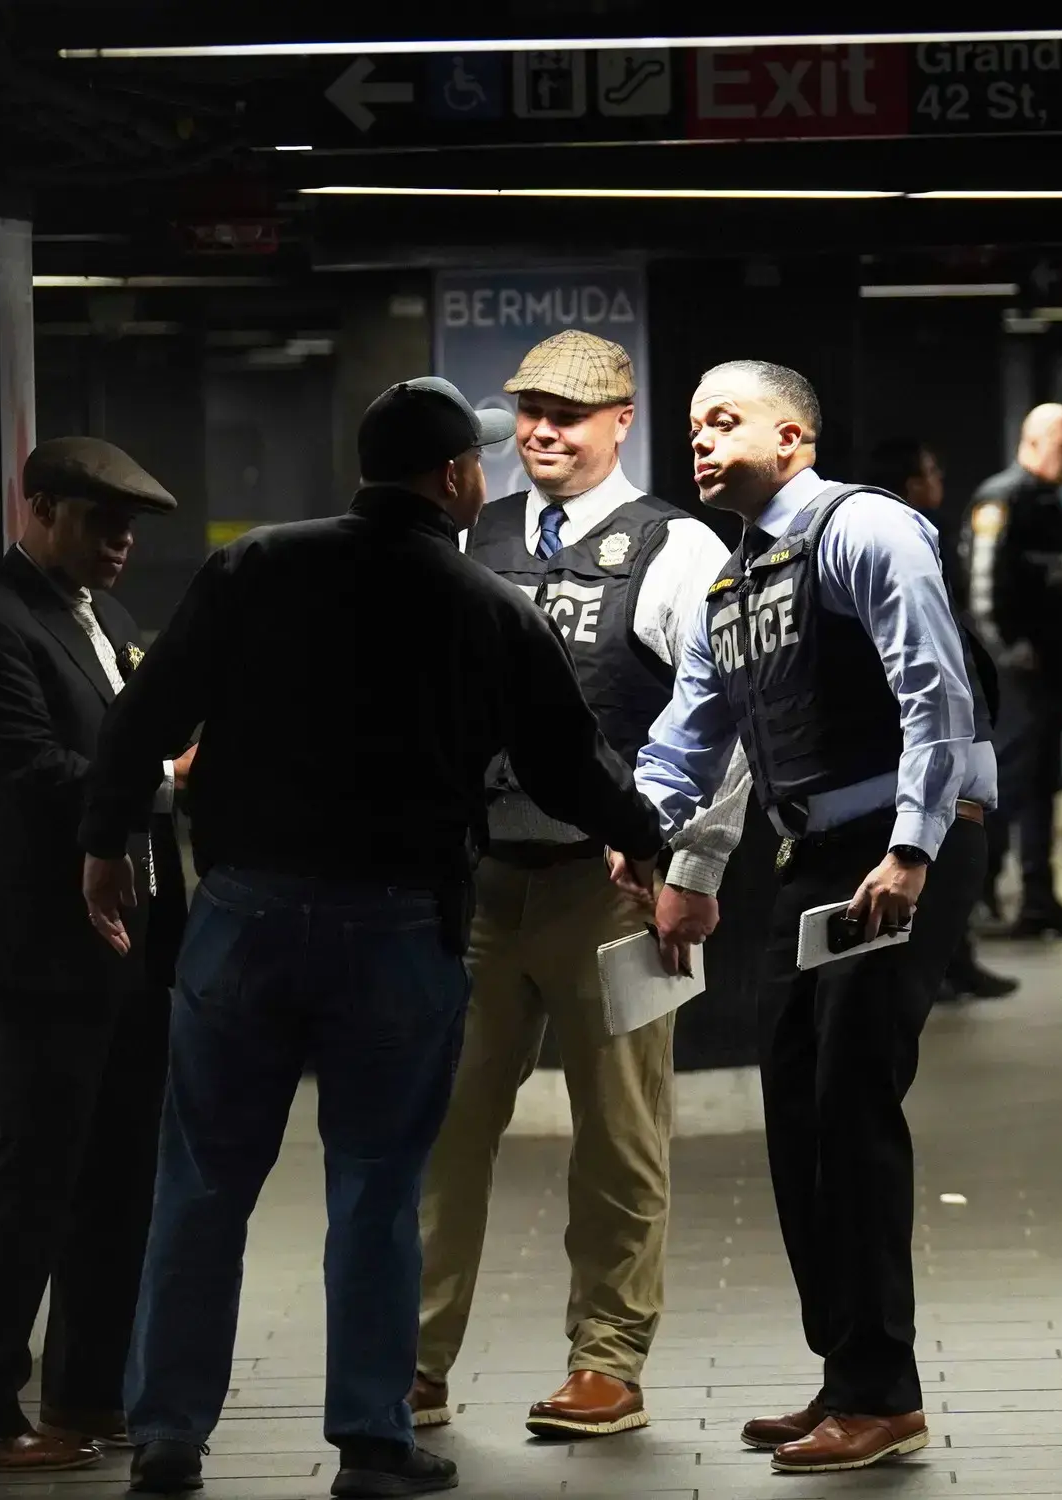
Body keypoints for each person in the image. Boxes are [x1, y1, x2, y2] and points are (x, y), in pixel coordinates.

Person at [78, 376, 667, 1498]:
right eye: (477, 461)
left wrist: (107, 840)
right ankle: (369, 1440)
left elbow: (146, 712)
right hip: (396, 929)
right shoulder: (486, 604)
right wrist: (641, 840)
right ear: (452, 477)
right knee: (377, 1189)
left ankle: (167, 1435)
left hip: (242, 915)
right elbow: (564, 761)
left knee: (200, 1183)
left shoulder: (256, 565)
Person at [636, 361, 992, 1475]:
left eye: (724, 420)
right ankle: (846, 1374)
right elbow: (684, 743)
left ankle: (882, 1390)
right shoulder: (732, 588)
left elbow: (935, 689)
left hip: (896, 846)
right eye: (691, 425)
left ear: (793, 437)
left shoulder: (864, 530)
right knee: (794, 1114)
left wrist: (910, 848)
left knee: (849, 1103)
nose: (698, 440)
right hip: (805, 860)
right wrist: (629, 828)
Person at [410, 332, 754, 1441]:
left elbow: (726, 722)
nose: (545, 430)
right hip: (477, 884)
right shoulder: (472, 536)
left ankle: (607, 1361)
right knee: (441, 1128)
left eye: (571, 412)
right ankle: (412, 1359)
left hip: (613, 887)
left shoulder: (678, 551)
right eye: (529, 412)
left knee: (620, 1134)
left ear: (620, 420)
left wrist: (692, 867)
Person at [0, 439, 188, 1474]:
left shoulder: (115, 625)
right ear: (38, 507)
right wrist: (173, 780)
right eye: (101, 522)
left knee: (117, 1182)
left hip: (129, 949)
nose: (122, 543)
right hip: (37, 951)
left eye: (131, 527)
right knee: (32, 1182)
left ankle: (87, 1395)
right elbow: (34, 774)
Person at [868, 435, 1016, 1001]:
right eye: (931, 470)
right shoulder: (910, 549)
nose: (940, 482)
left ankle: (956, 961)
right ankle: (950, 965)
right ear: (911, 484)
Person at [961, 405, 1062, 939]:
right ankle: (977, 896)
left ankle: (1037, 898)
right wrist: (1010, 653)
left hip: (1046, 677)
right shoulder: (1004, 500)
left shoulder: (1049, 505)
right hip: (1015, 680)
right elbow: (982, 590)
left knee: (1041, 785)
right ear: (1036, 441)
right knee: (1008, 788)